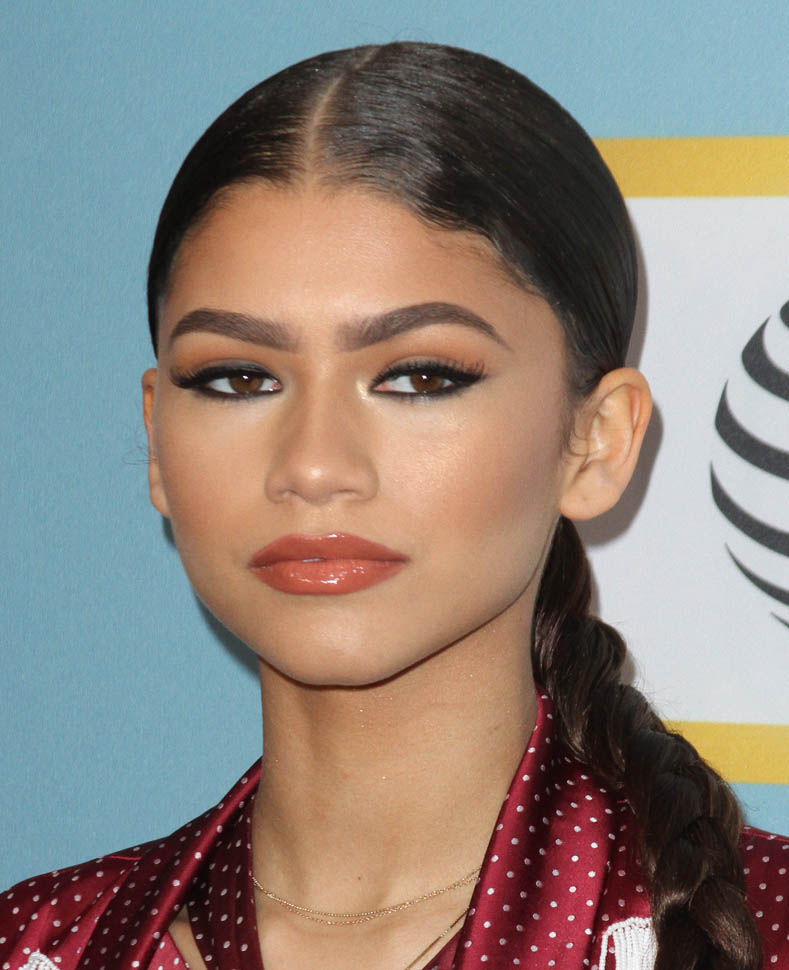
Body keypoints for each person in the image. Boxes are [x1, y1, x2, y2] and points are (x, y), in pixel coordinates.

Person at [2, 41, 787, 970]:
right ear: (157, 436)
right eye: (237, 378)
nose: (313, 466)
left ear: (597, 439)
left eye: (419, 376)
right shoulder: (39, 944)